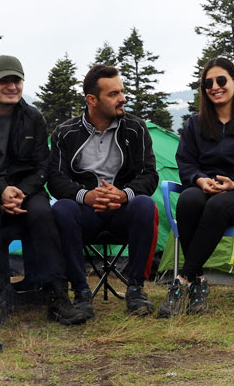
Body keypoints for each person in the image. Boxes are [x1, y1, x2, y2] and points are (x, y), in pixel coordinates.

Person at [0, 55, 87, 326]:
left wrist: (20, 192)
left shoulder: (33, 117)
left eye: (16, 80)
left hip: (26, 189)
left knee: (42, 212)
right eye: (4, 81)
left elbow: (43, 166)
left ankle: (56, 294)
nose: (12, 86)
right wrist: (1, 190)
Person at [159, 57, 234, 317]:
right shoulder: (194, 124)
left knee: (219, 204)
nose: (215, 86)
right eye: (208, 83)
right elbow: (185, 162)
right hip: (204, 190)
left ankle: (183, 279)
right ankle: (198, 282)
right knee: (189, 200)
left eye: (221, 80)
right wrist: (200, 179)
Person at [48, 65, 159, 317]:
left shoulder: (135, 128)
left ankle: (136, 289)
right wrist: (86, 196)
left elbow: (150, 175)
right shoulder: (65, 133)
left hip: (122, 211)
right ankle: (80, 292)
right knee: (61, 209)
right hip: (86, 212)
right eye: (113, 94)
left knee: (145, 205)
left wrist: (123, 194)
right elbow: (55, 178)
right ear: (92, 100)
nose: (122, 98)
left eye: (121, 91)